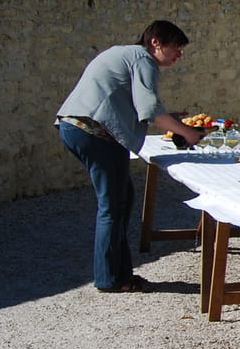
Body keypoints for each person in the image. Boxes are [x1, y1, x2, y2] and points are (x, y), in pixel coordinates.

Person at [55, 20, 204, 293]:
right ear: (155, 42)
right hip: (94, 132)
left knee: (122, 199)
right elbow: (149, 110)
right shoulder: (142, 59)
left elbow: (131, 106)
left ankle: (120, 274)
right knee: (113, 205)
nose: (179, 55)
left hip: (79, 128)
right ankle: (110, 279)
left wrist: (170, 120)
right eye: (176, 47)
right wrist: (188, 133)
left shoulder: (125, 54)